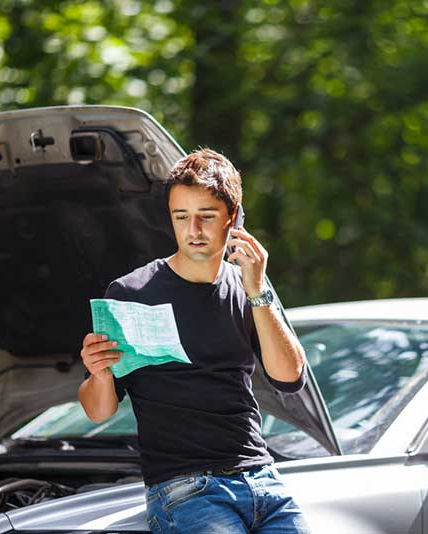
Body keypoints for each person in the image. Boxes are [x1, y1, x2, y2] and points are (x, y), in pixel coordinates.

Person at [77, 148, 310, 533]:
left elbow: (290, 378)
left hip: (263, 479)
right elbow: (98, 411)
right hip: (185, 489)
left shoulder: (249, 286)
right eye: (181, 217)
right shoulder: (132, 291)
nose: (193, 230)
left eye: (207, 216)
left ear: (232, 218)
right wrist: (99, 374)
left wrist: (257, 289)